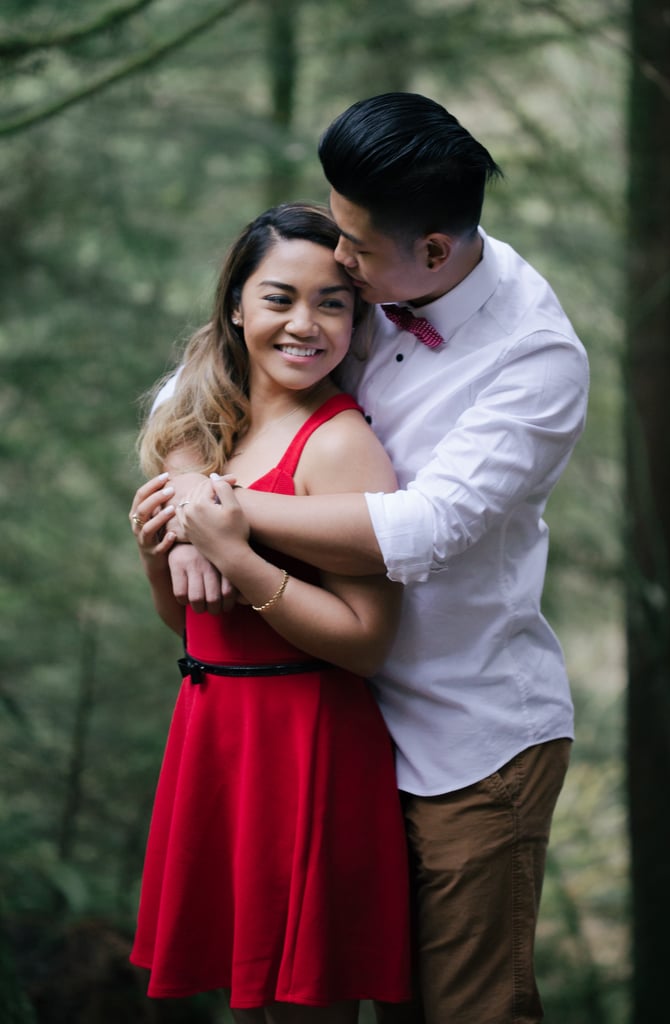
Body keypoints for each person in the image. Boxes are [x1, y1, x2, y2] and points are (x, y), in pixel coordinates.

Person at [159, 94, 589, 1024]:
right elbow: (214, 362)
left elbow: (421, 531)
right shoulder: (370, 273)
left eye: (351, 251)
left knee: (460, 1012)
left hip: (464, 743)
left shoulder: (535, 360)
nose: (336, 260)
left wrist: (225, 520)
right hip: (335, 737)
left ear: (434, 251)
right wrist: (189, 480)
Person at [127, 202, 411, 1023]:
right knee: (242, 1003)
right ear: (236, 307)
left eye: (332, 302)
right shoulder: (207, 426)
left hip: (307, 740)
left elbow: (367, 645)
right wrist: (163, 550)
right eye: (280, 297)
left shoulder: (339, 443)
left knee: (304, 1004)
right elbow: (187, 628)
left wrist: (236, 554)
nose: (304, 324)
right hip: (213, 726)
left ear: (357, 318)